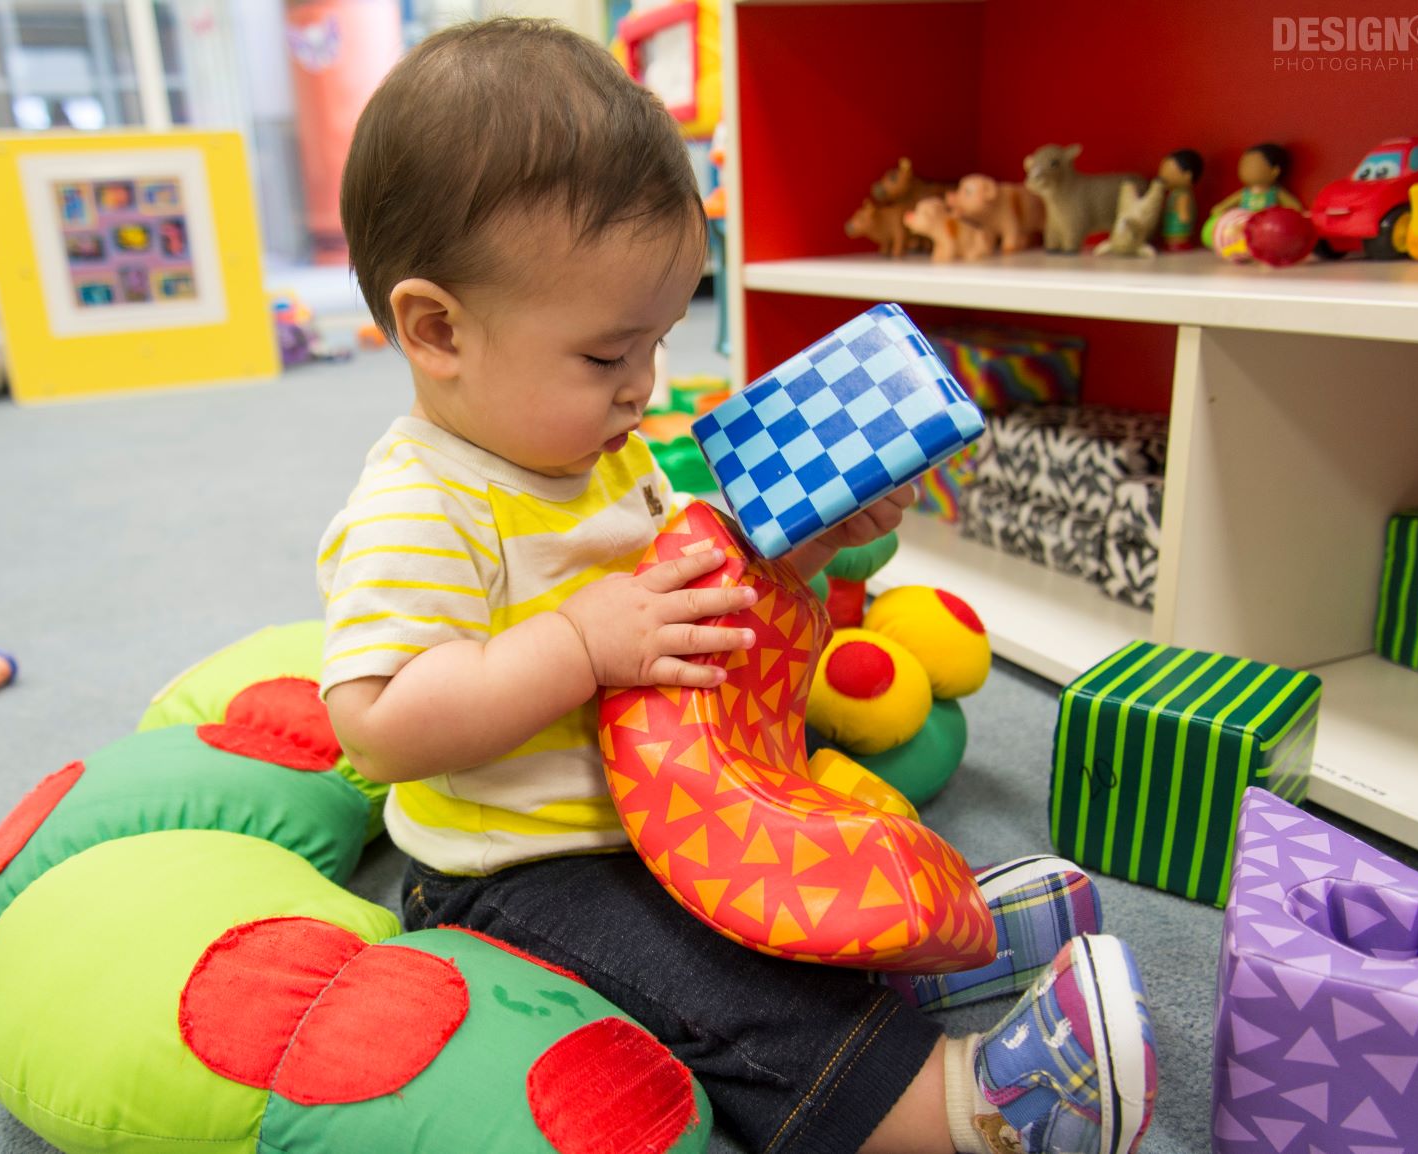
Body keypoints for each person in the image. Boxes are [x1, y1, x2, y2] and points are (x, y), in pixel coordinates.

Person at [320, 18, 1156, 1154]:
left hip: (674, 805)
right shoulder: (422, 506)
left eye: (659, 340)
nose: (645, 386)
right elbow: (376, 726)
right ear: (436, 329)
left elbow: (712, 605)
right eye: (608, 355)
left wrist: (808, 552)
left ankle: (928, 946)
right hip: (524, 868)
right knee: (711, 981)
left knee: (816, 842)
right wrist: (576, 644)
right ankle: (973, 1112)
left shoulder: (592, 450)